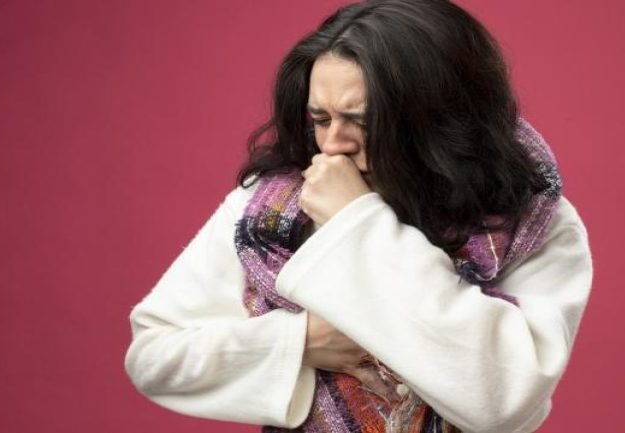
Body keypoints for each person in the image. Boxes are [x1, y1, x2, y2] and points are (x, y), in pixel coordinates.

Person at [124, 1, 592, 432]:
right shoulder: (272, 209)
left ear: (438, 119)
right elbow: (155, 356)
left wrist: (355, 220)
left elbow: (504, 397)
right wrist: (297, 343)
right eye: (320, 120)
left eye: (363, 122)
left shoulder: (530, 224)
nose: (333, 145)